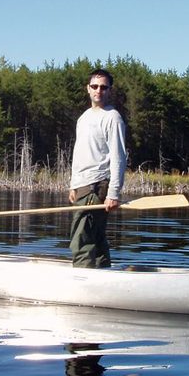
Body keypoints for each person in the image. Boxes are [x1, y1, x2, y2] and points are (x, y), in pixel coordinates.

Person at [68, 69, 128, 268]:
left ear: (110, 90)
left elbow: (118, 156)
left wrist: (113, 192)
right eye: (95, 86)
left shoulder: (112, 117)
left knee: (82, 237)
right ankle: (103, 275)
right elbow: (80, 153)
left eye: (103, 87)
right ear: (88, 88)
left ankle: (82, 280)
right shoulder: (83, 118)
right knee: (96, 235)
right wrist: (73, 184)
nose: (98, 90)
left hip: (97, 184)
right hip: (82, 184)